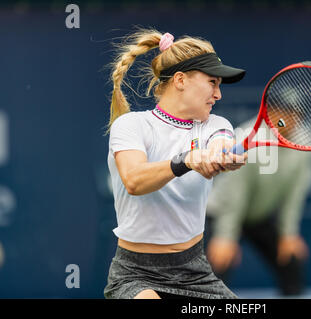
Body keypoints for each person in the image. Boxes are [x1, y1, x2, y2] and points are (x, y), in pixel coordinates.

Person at [103, 29, 248, 299]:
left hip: (196, 272)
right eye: (212, 83)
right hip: (135, 274)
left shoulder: (216, 125)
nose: (218, 95)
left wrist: (224, 155)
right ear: (180, 80)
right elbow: (134, 180)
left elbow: (221, 144)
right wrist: (186, 161)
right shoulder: (131, 125)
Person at [206, 117, 311, 296]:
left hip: (259, 216)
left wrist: (289, 234)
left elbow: (296, 193)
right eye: (281, 112)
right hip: (222, 214)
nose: (287, 119)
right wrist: (225, 236)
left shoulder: (305, 143)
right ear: (270, 111)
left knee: (291, 261)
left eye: (293, 113)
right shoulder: (246, 135)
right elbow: (234, 194)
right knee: (216, 269)